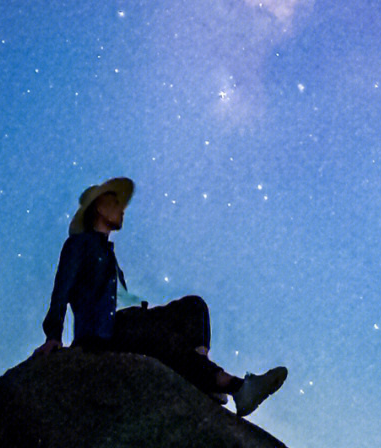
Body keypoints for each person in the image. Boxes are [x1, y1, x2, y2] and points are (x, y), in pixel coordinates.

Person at [36, 177, 287, 417]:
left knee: (194, 307)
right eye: (114, 203)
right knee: (165, 337)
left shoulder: (109, 255)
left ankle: (204, 378)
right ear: (99, 207)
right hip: (107, 331)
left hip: (131, 319)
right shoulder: (78, 245)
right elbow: (62, 288)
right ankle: (236, 386)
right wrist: (53, 335)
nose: (122, 209)